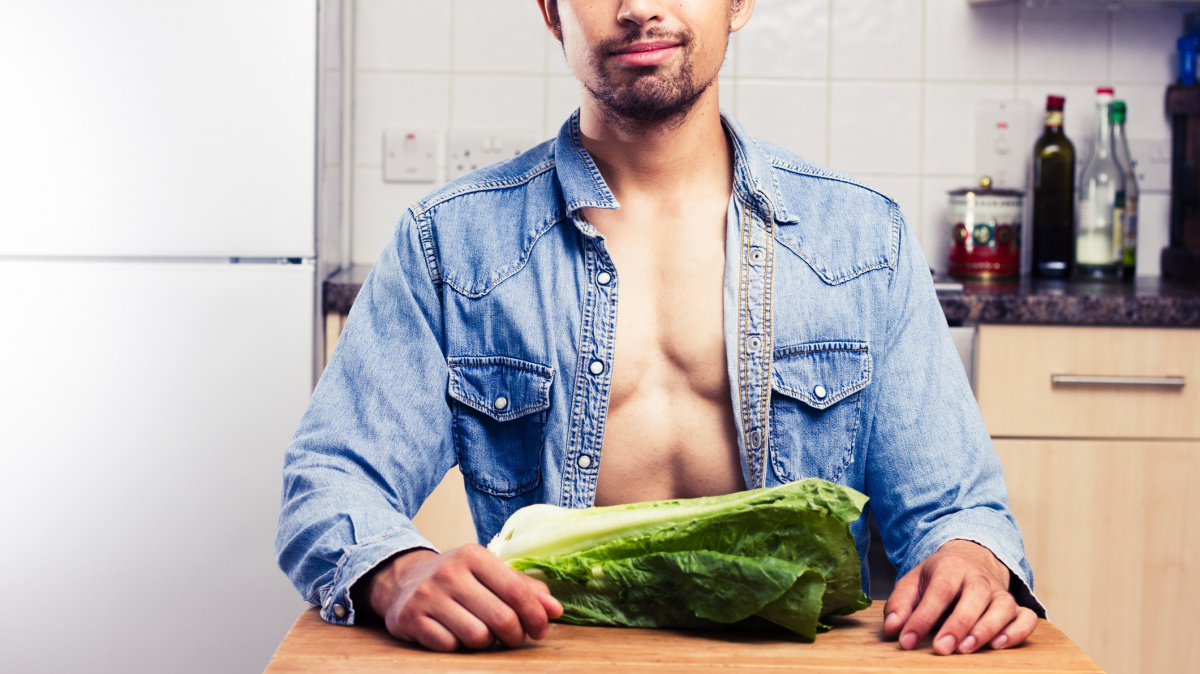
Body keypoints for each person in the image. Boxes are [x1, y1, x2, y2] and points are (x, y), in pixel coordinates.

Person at [275, 0, 1044, 656]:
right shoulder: (451, 244)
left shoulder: (863, 240)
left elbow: (954, 511)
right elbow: (331, 480)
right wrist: (397, 569)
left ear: (739, 1)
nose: (639, 5)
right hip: (549, 662)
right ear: (550, 12)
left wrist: (970, 559)